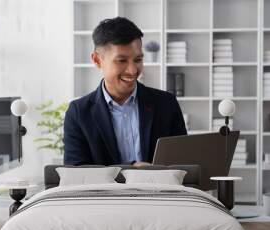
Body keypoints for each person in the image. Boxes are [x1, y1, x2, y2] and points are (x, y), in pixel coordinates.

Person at [64, 17, 187, 166]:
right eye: (122, 60)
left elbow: (182, 165)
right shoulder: (78, 112)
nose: (133, 70)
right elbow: (76, 173)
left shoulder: (166, 104)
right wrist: (129, 169)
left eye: (138, 60)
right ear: (97, 60)